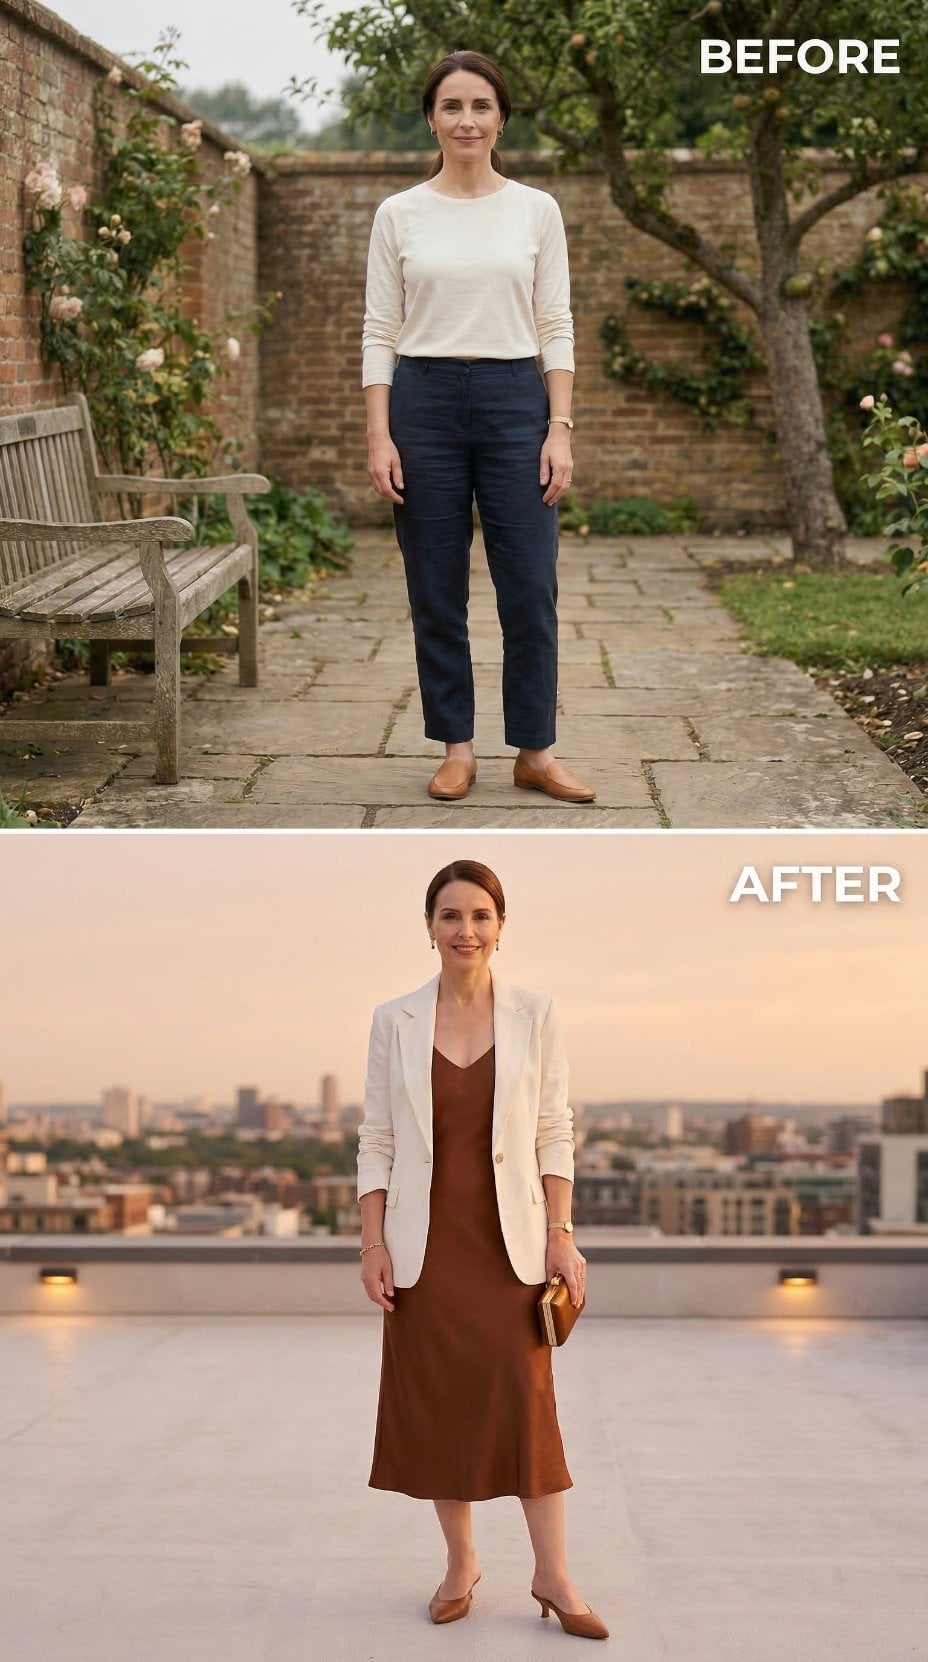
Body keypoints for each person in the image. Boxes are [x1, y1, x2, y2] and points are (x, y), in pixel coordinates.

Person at [357, 858, 608, 1640]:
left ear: (501, 927)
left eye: (480, 916)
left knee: (528, 1410)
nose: (465, 930)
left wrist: (561, 1234)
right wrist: (371, 1241)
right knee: (441, 1411)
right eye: (450, 916)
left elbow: (554, 1128)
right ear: (428, 927)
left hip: (511, 1251)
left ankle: (552, 1575)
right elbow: (377, 1138)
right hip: (425, 1249)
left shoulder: (537, 1012)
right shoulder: (392, 1019)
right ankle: (461, 1565)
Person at [361, 50, 596, 806]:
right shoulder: (399, 214)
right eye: (452, 106)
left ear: (502, 119)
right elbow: (379, 330)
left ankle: (535, 750)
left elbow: (555, 323)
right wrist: (379, 433)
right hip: (422, 401)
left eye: (481, 106)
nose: (467, 119)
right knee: (436, 586)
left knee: (530, 586)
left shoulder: (536, 210)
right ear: (431, 118)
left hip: (513, 400)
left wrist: (558, 427)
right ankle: (456, 748)